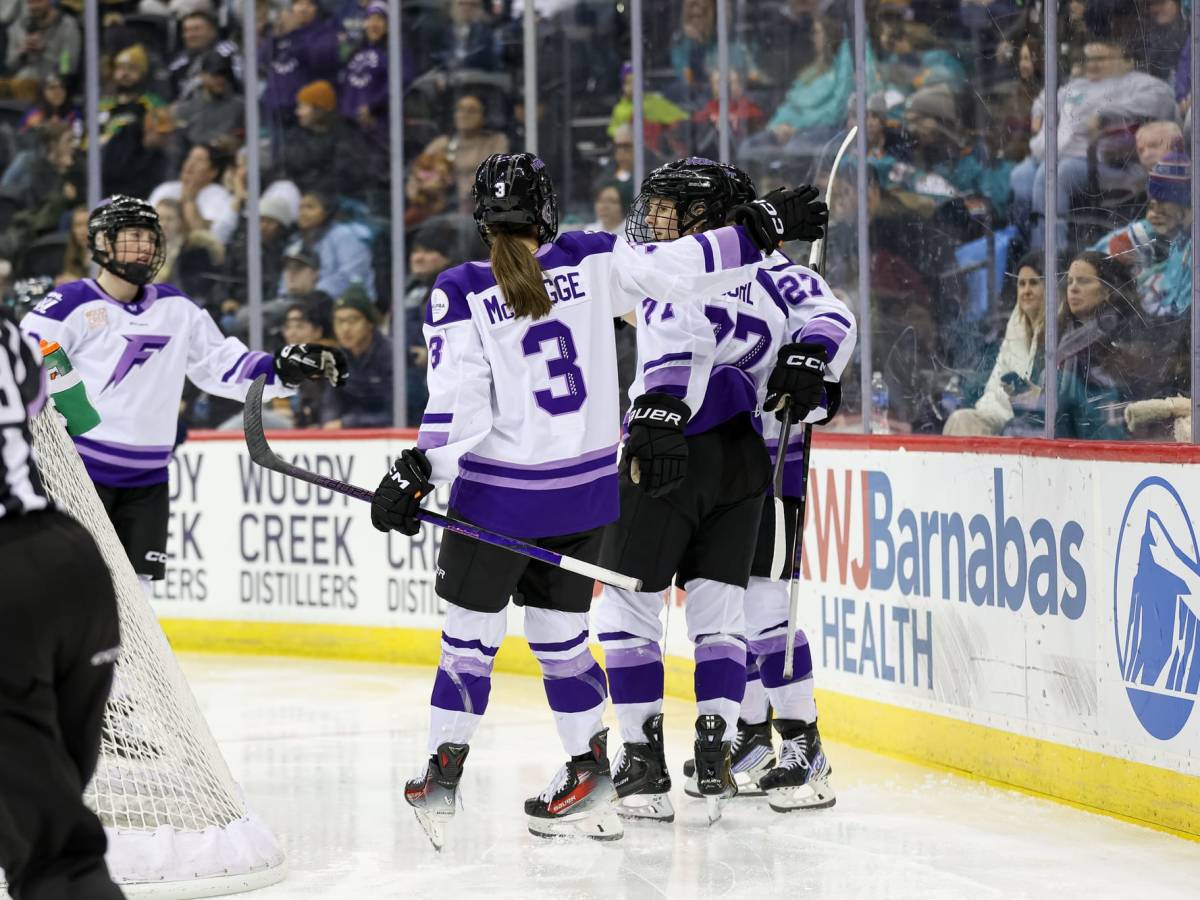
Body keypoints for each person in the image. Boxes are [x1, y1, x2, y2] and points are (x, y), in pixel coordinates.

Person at [369, 152, 826, 846]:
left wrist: (418, 471)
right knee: (564, 644)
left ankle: (443, 769)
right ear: (548, 208)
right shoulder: (593, 257)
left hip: (500, 502)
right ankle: (590, 771)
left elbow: (458, 404)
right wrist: (758, 227)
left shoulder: (460, 288)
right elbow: (681, 272)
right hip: (584, 499)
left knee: (469, 642)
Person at [591, 159, 849, 821]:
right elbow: (827, 317)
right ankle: (751, 739)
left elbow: (830, 320)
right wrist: (813, 355)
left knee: (759, 610)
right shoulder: (701, 266)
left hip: (763, 460)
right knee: (736, 608)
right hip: (746, 460)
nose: (663, 219)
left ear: (721, 215)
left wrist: (811, 358)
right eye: (662, 206)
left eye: (681, 209)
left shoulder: (723, 274)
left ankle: (802, 744)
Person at [19, 195, 348, 593]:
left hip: (149, 479)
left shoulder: (177, 308)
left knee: (139, 599)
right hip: (80, 474)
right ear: (103, 241)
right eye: (133, 235)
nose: (145, 246)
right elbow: (23, 369)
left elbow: (223, 366)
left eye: (151, 237)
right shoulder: (68, 304)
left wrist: (283, 368)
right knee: (72, 590)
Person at [0, 309, 124, 900]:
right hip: (70, 564)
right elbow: (77, 415)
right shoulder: (11, 335)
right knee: (46, 818)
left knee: (49, 850)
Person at [943, 252, 1045, 436]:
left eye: (1034, 283)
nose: (1026, 290)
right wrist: (984, 419)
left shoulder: (1057, 329)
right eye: (1021, 284)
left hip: (1036, 429)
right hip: (1005, 422)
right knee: (961, 420)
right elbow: (995, 388)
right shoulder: (1015, 327)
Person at [319, 284, 392, 429]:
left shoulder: (392, 355)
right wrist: (329, 424)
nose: (345, 329)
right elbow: (330, 407)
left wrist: (347, 423)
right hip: (349, 440)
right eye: (339, 321)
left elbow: (399, 413)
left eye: (353, 320)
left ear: (370, 322)